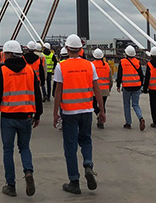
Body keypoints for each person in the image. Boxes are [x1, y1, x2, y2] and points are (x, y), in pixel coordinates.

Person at [53, 34, 105, 194]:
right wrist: (101, 111)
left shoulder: (61, 66)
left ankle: (74, 182)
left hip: (69, 112)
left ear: (67, 49)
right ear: (81, 49)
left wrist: (55, 114)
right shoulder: (90, 66)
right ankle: (88, 164)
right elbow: (97, 89)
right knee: (86, 141)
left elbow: (58, 92)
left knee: (70, 146)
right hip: (87, 111)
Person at [0, 39, 43, 198]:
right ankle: (28, 172)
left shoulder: (3, 71)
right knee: (25, 147)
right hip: (26, 115)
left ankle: (11, 185)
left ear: (8, 54)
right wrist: (38, 114)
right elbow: (37, 93)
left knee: (8, 150)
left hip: (8, 116)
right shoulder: (29, 70)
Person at [116, 45, 145, 130]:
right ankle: (140, 117)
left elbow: (119, 74)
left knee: (126, 105)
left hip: (127, 86)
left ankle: (128, 123)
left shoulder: (122, 62)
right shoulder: (137, 62)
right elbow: (141, 75)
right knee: (136, 104)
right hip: (137, 86)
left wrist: (118, 85)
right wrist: (142, 85)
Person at [91, 48, 112, 129]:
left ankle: (98, 115)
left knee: (93, 105)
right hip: (104, 89)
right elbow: (110, 79)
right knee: (102, 105)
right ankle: (101, 121)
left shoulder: (91, 65)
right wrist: (109, 88)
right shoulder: (106, 65)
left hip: (94, 90)